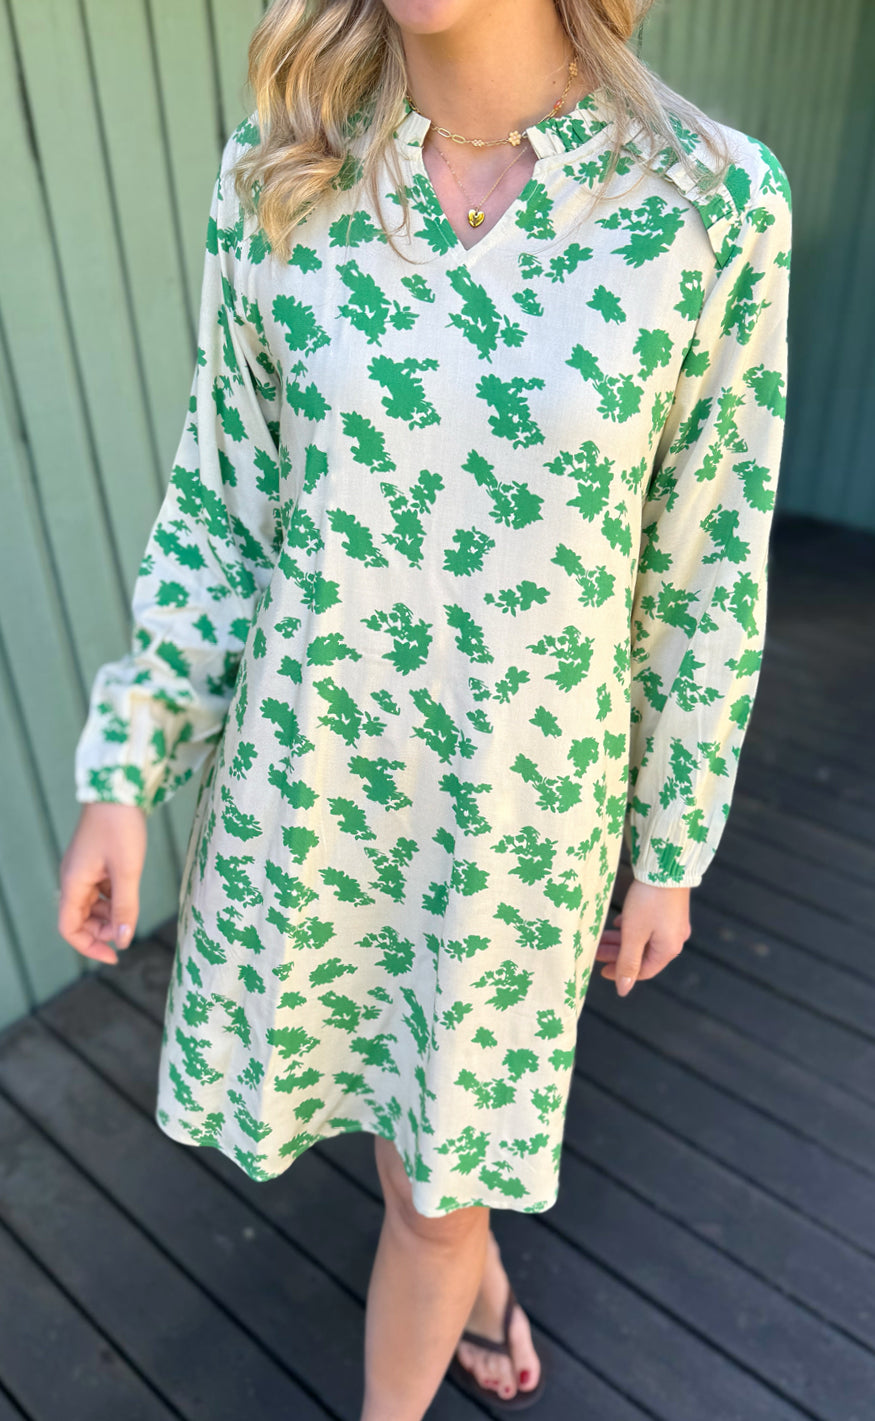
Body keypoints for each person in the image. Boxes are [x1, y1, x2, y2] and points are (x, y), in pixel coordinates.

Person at [58, 0, 792, 1415]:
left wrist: (673, 839)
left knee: (438, 1194)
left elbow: (704, 566)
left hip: (514, 829)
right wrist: (127, 766)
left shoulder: (707, 206)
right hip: (312, 794)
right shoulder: (284, 174)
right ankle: (478, 1277)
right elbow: (222, 505)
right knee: (426, 1154)